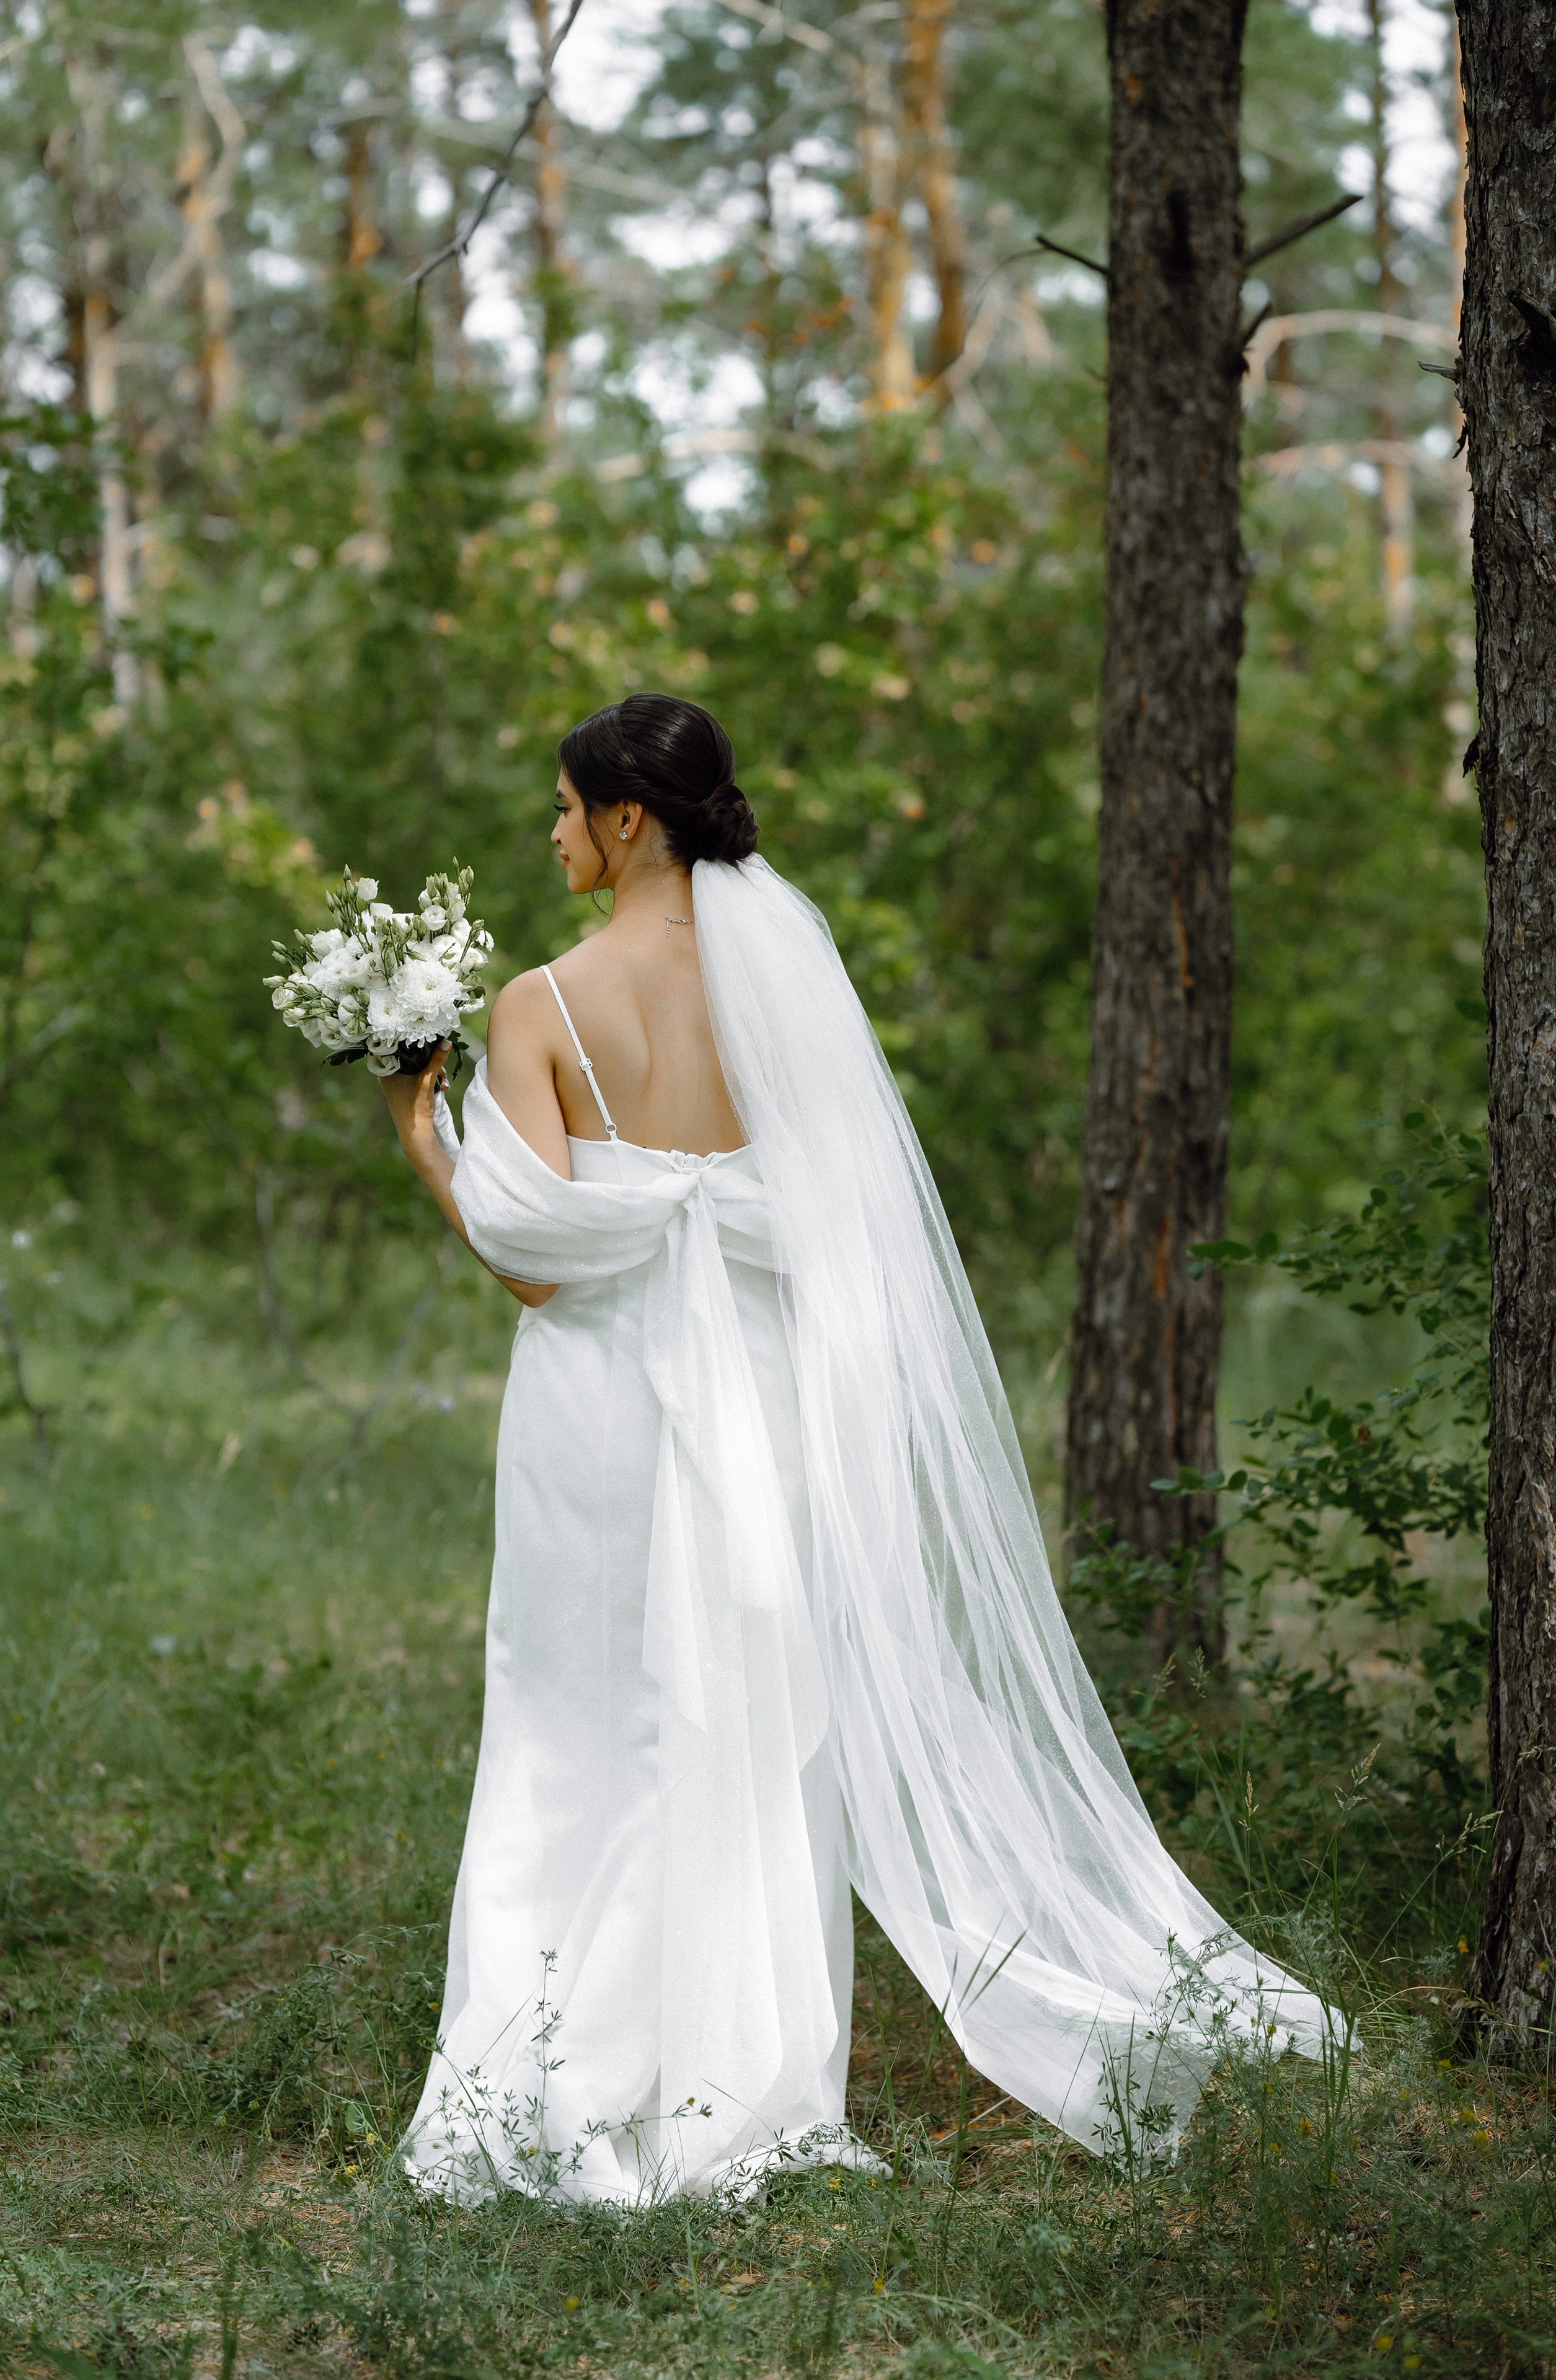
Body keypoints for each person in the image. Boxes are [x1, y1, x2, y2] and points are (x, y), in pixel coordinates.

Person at [380, 692, 1338, 2208]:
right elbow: (836, 1219)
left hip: (600, 1408)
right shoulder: (781, 990)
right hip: (762, 1403)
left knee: (571, 1726)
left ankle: (551, 2068)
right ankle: (743, 2080)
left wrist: (424, 1141)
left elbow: (534, 1264)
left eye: (564, 809)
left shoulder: (539, 1005)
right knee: (751, 1725)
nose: (551, 834)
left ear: (627, 819)